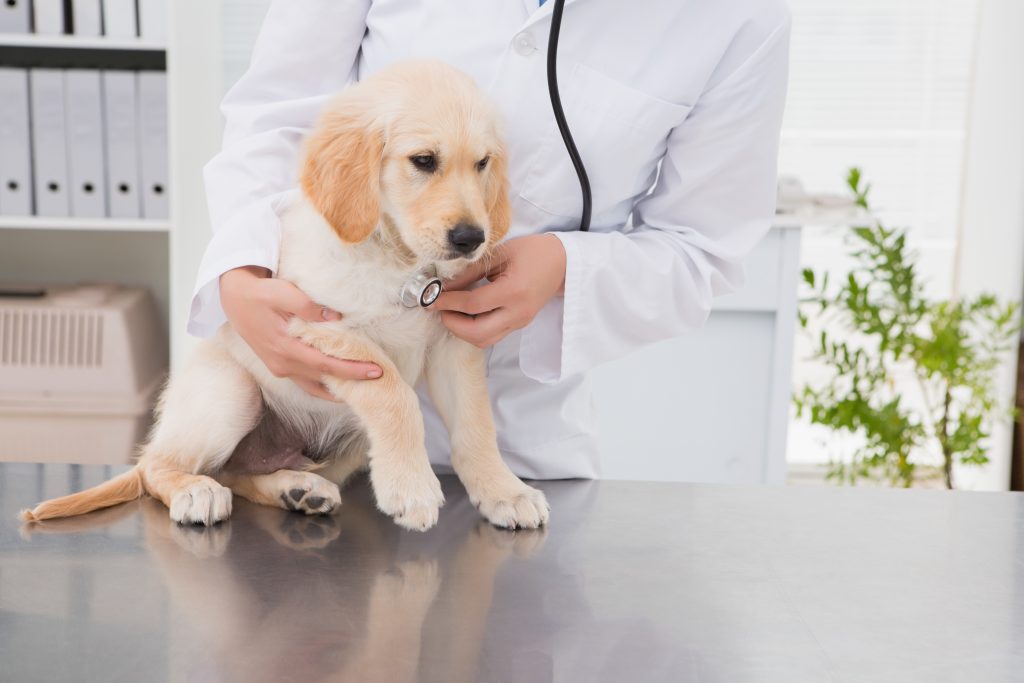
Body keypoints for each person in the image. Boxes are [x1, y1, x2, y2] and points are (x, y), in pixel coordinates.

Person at [192, 0, 791, 479]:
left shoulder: (739, 16)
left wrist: (564, 265)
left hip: (516, 437)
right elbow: (275, 118)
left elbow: (701, 249)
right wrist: (242, 275)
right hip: (315, 384)